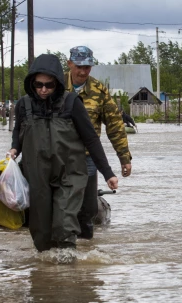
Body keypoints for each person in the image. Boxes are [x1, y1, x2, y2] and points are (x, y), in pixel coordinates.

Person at [7, 53, 119, 252]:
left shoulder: (71, 103)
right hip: (38, 174)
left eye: (48, 85)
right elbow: (19, 131)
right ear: (31, 83)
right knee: (41, 232)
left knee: (65, 224)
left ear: (57, 83)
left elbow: (91, 139)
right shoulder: (24, 105)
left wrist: (108, 172)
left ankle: (69, 270)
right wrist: (15, 148)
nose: (43, 90)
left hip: (70, 173)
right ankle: (46, 275)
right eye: (38, 85)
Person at [65, 46, 132, 239]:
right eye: (79, 66)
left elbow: (115, 125)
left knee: (87, 209)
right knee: (61, 206)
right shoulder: (55, 86)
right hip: (59, 157)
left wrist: (124, 158)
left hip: (87, 158)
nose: (83, 71)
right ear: (69, 64)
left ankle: (86, 251)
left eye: (87, 67)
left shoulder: (98, 90)